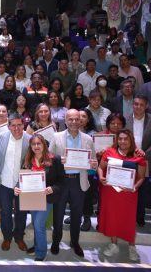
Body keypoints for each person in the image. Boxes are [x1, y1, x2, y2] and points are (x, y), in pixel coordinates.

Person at [49, 109, 97, 257]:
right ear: (66, 120)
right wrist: (58, 159)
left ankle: (75, 242)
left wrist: (94, 164)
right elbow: (48, 159)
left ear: (81, 120)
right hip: (61, 182)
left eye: (77, 119)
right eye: (71, 119)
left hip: (79, 181)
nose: (74, 122)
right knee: (58, 214)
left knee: (77, 215)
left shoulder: (88, 139)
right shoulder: (56, 137)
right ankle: (56, 241)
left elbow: (93, 161)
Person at [97, 130, 146, 262]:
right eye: (120, 139)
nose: (123, 141)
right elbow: (101, 167)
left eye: (126, 139)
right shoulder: (109, 152)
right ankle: (114, 244)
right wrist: (101, 176)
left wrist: (135, 187)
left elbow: (141, 177)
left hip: (129, 193)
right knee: (112, 217)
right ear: (116, 140)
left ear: (131, 140)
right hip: (111, 192)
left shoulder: (139, 156)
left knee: (129, 219)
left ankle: (131, 246)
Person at [15, 134, 65, 261]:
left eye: (39, 143)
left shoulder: (55, 159)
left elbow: (62, 181)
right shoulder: (27, 161)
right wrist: (17, 187)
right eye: (33, 144)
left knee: (38, 224)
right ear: (30, 146)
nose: (36, 146)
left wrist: (52, 189)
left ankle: (41, 253)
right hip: (31, 198)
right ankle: (37, 246)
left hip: (47, 198)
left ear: (44, 144)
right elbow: (21, 179)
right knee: (36, 224)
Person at [0, 113, 31, 251]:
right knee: (5, 212)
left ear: (23, 125)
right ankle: (7, 237)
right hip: (4, 182)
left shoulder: (30, 140)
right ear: (8, 126)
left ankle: (19, 237)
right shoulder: (1, 138)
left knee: (21, 213)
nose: (16, 128)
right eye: (13, 125)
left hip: (23, 184)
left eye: (19, 125)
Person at [126, 95, 151, 227]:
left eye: (141, 105)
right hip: (129, 159)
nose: (138, 107)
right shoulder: (127, 120)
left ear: (146, 106)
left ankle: (140, 216)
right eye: (136, 104)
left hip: (145, 160)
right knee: (129, 187)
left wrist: (143, 154)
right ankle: (129, 215)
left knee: (142, 188)